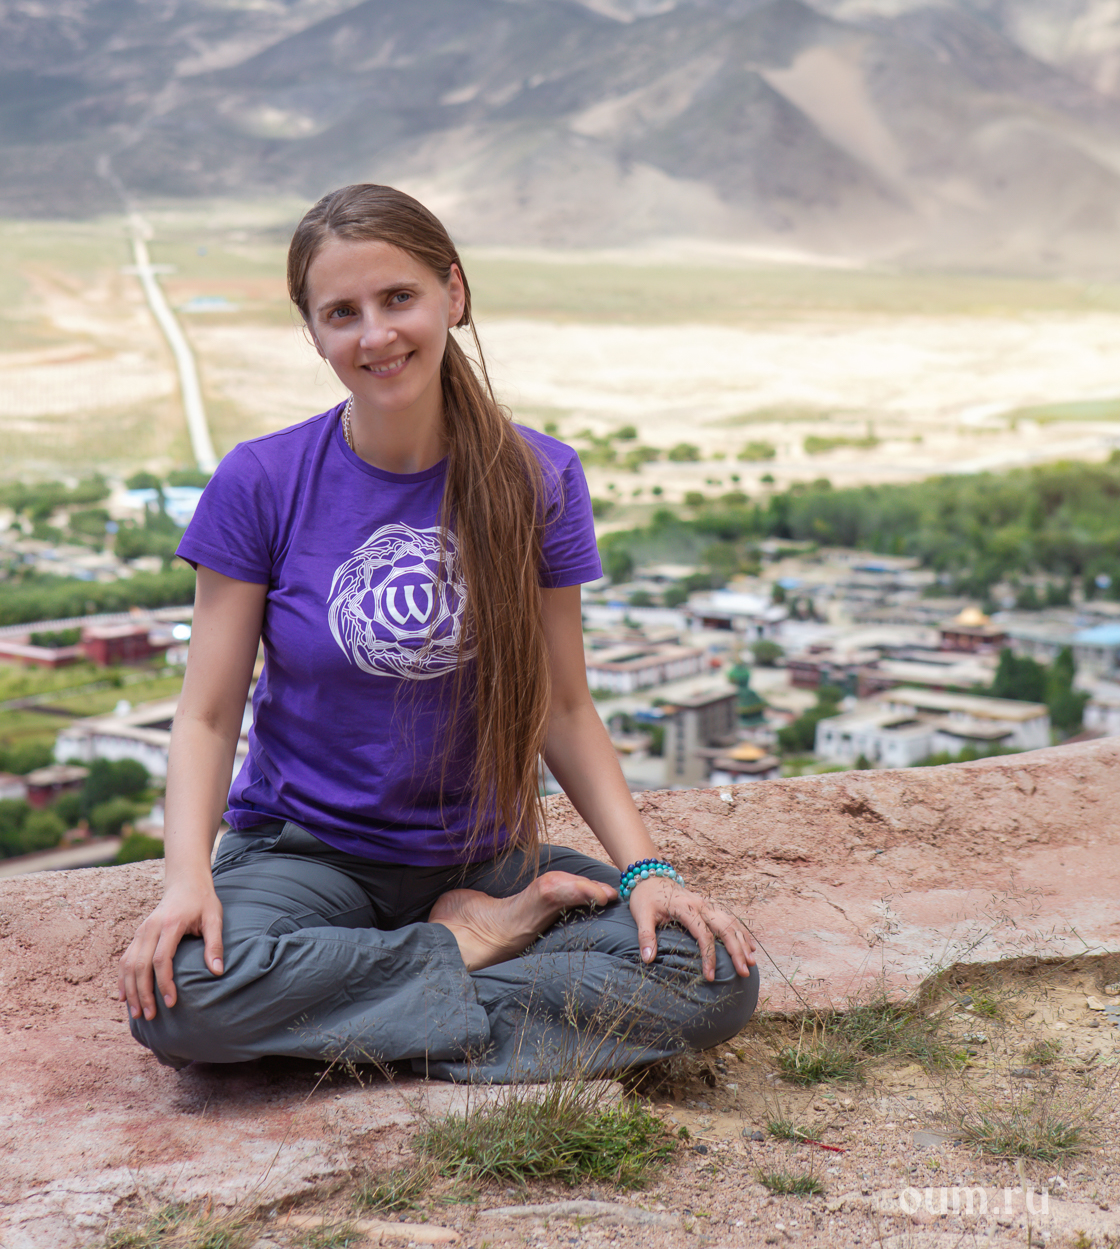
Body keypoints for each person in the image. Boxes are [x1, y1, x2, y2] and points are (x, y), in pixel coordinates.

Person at [118, 184, 758, 1081]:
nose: (376, 335)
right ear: (313, 332)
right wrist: (187, 880)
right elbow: (207, 715)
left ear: (453, 294)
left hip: (482, 860)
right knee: (184, 995)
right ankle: (466, 951)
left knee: (711, 974)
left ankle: (377, 1008)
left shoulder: (538, 476)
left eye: (399, 298)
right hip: (307, 855)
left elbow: (564, 707)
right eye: (342, 313)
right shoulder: (261, 481)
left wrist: (646, 872)